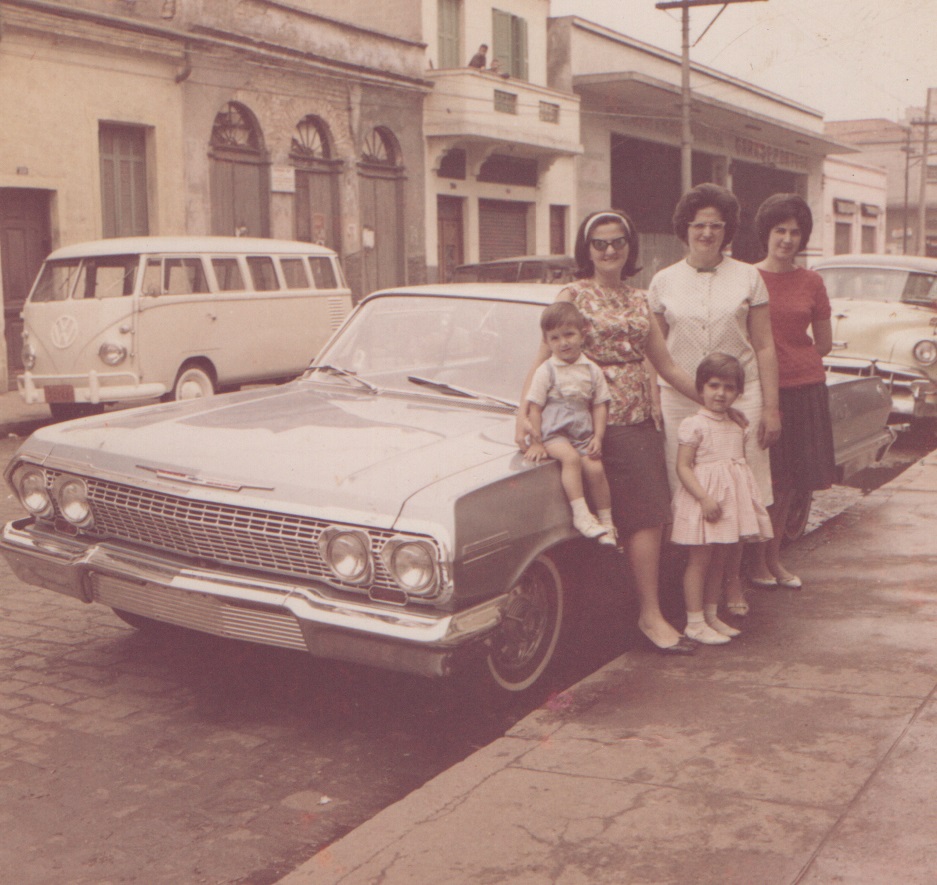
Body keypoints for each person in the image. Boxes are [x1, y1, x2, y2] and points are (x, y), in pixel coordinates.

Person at [517, 209, 705, 655]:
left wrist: (714, 400)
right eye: (599, 242)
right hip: (583, 426)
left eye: (617, 241)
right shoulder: (572, 294)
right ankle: (635, 618)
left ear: (629, 247)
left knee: (649, 519)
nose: (608, 250)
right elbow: (543, 360)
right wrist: (525, 416)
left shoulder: (641, 300)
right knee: (609, 526)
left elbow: (667, 365)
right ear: (587, 249)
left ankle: (650, 614)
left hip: (637, 421)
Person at [648, 182, 781, 618]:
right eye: (699, 225)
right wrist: (657, 395)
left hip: (742, 400)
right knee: (688, 490)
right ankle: (687, 590)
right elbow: (656, 351)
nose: (707, 233)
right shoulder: (662, 280)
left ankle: (731, 583)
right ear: (684, 229)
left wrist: (772, 407)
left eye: (716, 226)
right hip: (681, 400)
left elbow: (763, 346)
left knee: (740, 491)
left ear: (728, 231)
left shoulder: (748, 276)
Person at [748, 193, 835, 590]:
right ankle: (750, 563)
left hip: (802, 389)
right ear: (766, 233)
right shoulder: (747, 277)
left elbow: (825, 343)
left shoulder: (812, 281)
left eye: (795, 232)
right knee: (760, 481)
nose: (786, 239)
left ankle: (771, 560)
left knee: (788, 484)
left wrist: (793, 357)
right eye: (779, 230)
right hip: (758, 393)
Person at [671, 353, 773, 644]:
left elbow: (735, 468)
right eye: (714, 385)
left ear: (739, 392)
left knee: (720, 560)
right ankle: (694, 621)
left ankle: (711, 615)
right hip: (705, 503)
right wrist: (703, 498)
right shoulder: (694, 424)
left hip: (728, 504)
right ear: (701, 387)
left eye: (729, 388)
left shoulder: (736, 424)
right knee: (700, 561)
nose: (721, 393)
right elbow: (682, 466)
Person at [524, 302, 617, 546]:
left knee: (595, 468)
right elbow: (534, 407)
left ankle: (607, 522)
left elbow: (599, 404)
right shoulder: (547, 370)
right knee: (571, 459)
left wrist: (598, 437)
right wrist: (536, 441)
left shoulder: (591, 369)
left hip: (583, 433)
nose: (563, 343)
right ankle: (581, 515)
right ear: (547, 341)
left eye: (569, 334)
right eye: (555, 338)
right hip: (553, 433)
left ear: (582, 334)